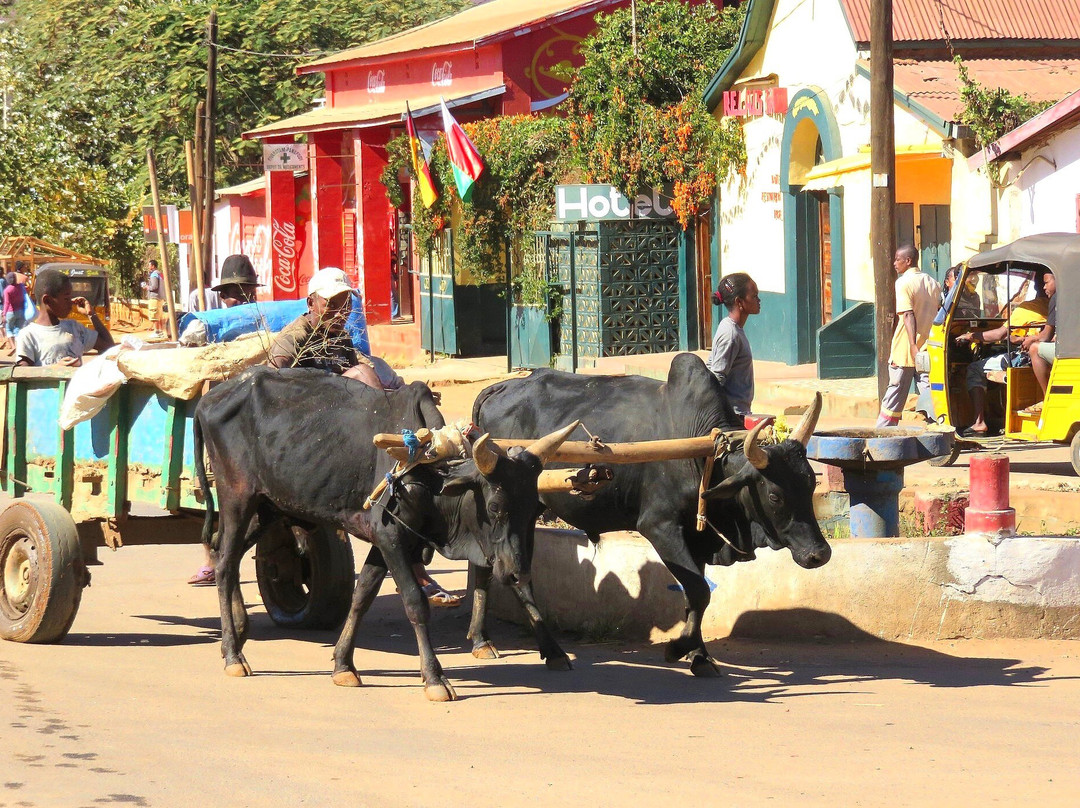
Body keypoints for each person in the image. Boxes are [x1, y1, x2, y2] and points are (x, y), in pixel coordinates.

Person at [267, 267, 457, 605]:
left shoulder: (339, 339)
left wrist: (400, 389)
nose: (341, 312)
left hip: (351, 431)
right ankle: (413, 572)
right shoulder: (293, 340)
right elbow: (275, 386)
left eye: (346, 304)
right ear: (311, 302)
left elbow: (367, 366)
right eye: (333, 303)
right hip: (314, 439)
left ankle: (437, 455)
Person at [186, 256, 265, 585]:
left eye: (243, 291)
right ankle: (210, 559)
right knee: (212, 487)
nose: (237, 299)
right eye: (230, 293)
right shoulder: (211, 325)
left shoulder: (264, 324)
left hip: (257, 415)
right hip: (222, 418)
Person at [956, 272, 1050, 436]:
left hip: (1026, 357)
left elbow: (999, 335)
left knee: (975, 368)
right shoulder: (1055, 305)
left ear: (1036, 286)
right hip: (1043, 355)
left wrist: (973, 336)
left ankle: (979, 422)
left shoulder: (1028, 307)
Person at [877, 245, 941, 427]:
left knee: (895, 391)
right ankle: (940, 429)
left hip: (906, 349)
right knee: (929, 391)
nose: (894, 263)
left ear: (908, 261)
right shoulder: (932, 283)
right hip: (927, 348)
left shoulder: (903, 283)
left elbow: (907, 314)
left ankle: (882, 433)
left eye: (898, 259)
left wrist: (912, 345)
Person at [15, 268, 114, 367]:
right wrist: (55, 369)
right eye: (66, 298)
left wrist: (91, 314)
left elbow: (109, 346)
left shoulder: (74, 328)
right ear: (47, 300)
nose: (71, 302)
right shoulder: (28, 335)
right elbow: (22, 374)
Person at [706, 272, 760, 416]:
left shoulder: (731, 328)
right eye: (754, 296)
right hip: (733, 417)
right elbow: (716, 378)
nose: (758, 300)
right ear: (739, 302)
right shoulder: (730, 335)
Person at [1022, 269, 1056, 414]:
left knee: (1035, 349)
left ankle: (1047, 399)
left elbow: (1045, 336)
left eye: (1047, 282)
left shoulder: (1057, 298)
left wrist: (1029, 339)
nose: (1044, 287)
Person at [3, 269, 28, 354]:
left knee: (8, 329)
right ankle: (18, 346)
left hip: (10, 312)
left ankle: (13, 346)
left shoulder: (7, 290)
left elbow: (7, 303)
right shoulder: (20, 287)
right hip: (21, 311)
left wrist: (4, 314)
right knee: (18, 329)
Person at [141, 259, 166, 336]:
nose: (148, 267)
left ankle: (157, 331)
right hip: (161, 297)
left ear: (153, 266)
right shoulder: (160, 274)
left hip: (154, 297)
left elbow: (154, 286)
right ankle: (161, 331)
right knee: (159, 314)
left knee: (154, 315)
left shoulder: (154, 275)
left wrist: (147, 287)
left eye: (149, 265)